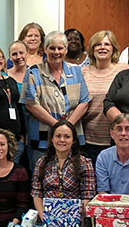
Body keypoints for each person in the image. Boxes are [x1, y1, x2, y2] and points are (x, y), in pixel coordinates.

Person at [23, 31, 90, 171]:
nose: (56, 52)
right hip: (41, 140)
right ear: (45, 49)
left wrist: (67, 128)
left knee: (71, 179)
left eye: (60, 48)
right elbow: (31, 105)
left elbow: (84, 102)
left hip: (72, 139)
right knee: (40, 179)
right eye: (52, 48)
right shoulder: (33, 72)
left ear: (66, 50)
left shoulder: (76, 71)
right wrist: (58, 127)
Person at [31, 120, 96, 221]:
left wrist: (73, 218)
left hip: (74, 218)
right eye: (58, 136)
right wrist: (44, 217)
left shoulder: (84, 163)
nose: (62, 140)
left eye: (67, 136)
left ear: (73, 140)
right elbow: (36, 194)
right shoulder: (42, 162)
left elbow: (87, 195)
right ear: (52, 139)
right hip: (46, 217)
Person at [81, 30, 129, 164]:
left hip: (117, 137)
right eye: (98, 44)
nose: (102, 47)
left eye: (107, 44)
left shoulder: (124, 70)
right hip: (89, 138)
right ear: (92, 48)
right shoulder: (83, 72)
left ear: (113, 48)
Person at [95, 113, 129, 195]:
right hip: (111, 204)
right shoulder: (103, 157)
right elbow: (103, 192)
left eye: (128, 129)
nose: (123, 133)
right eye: (119, 129)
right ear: (112, 134)